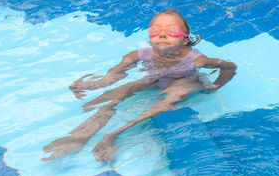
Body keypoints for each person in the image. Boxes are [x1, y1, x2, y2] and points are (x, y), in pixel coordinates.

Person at [42, 10, 237, 163]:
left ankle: (114, 134)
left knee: (175, 94)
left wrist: (215, 85)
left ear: (185, 39)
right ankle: (79, 136)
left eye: (171, 31)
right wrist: (90, 85)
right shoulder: (139, 55)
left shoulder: (197, 61)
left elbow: (230, 66)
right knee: (122, 91)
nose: (162, 34)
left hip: (184, 79)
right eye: (155, 30)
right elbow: (113, 76)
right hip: (157, 78)